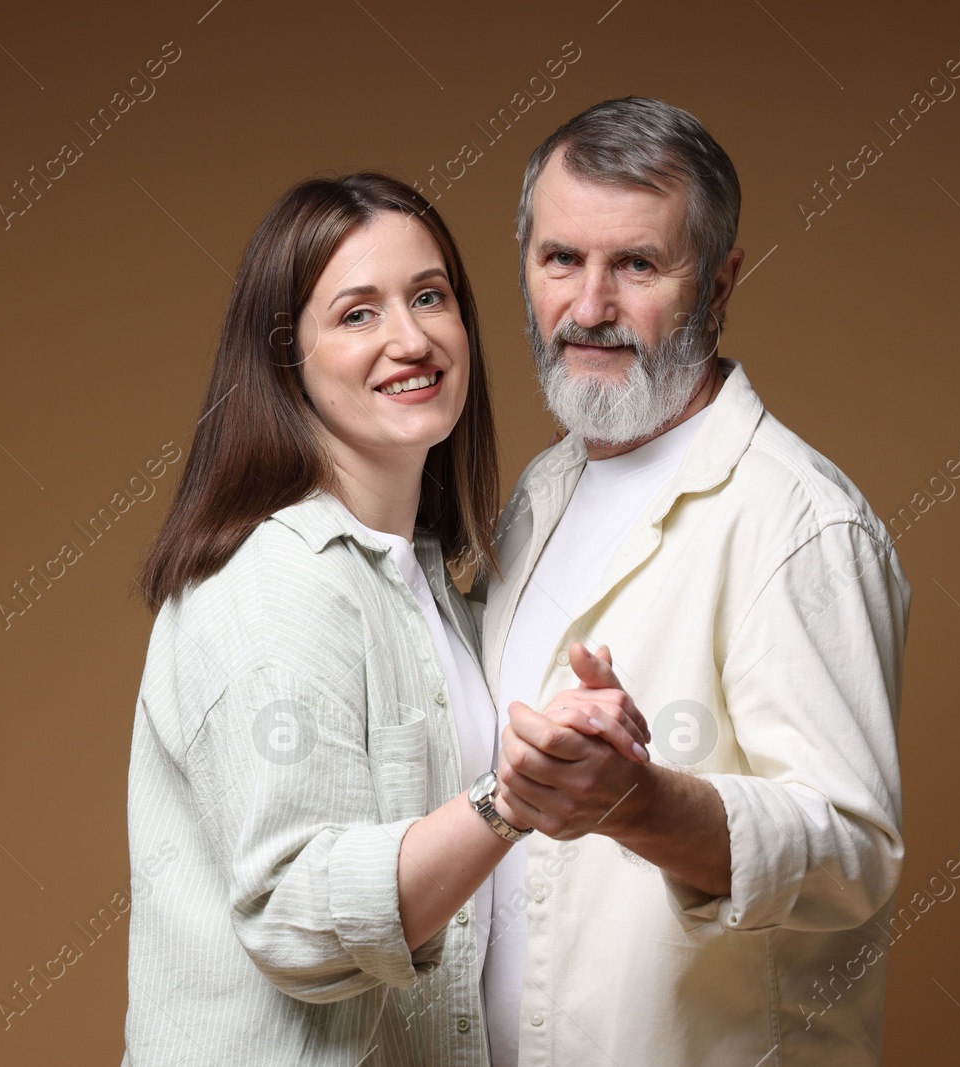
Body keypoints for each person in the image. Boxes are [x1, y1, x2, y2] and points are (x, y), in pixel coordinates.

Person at [120, 172, 650, 1066]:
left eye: (430, 296)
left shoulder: (433, 588)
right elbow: (298, 916)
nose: (411, 338)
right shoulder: (273, 581)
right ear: (287, 358)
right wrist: (510, 799)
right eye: (357, 313)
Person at [471, 97, 913, 1066]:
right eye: (560, 260)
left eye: (635, 264)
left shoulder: (798, 522)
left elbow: (852, 854)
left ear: (718, 283)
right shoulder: (544, 490)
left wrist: (639, 803)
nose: (588, 308)